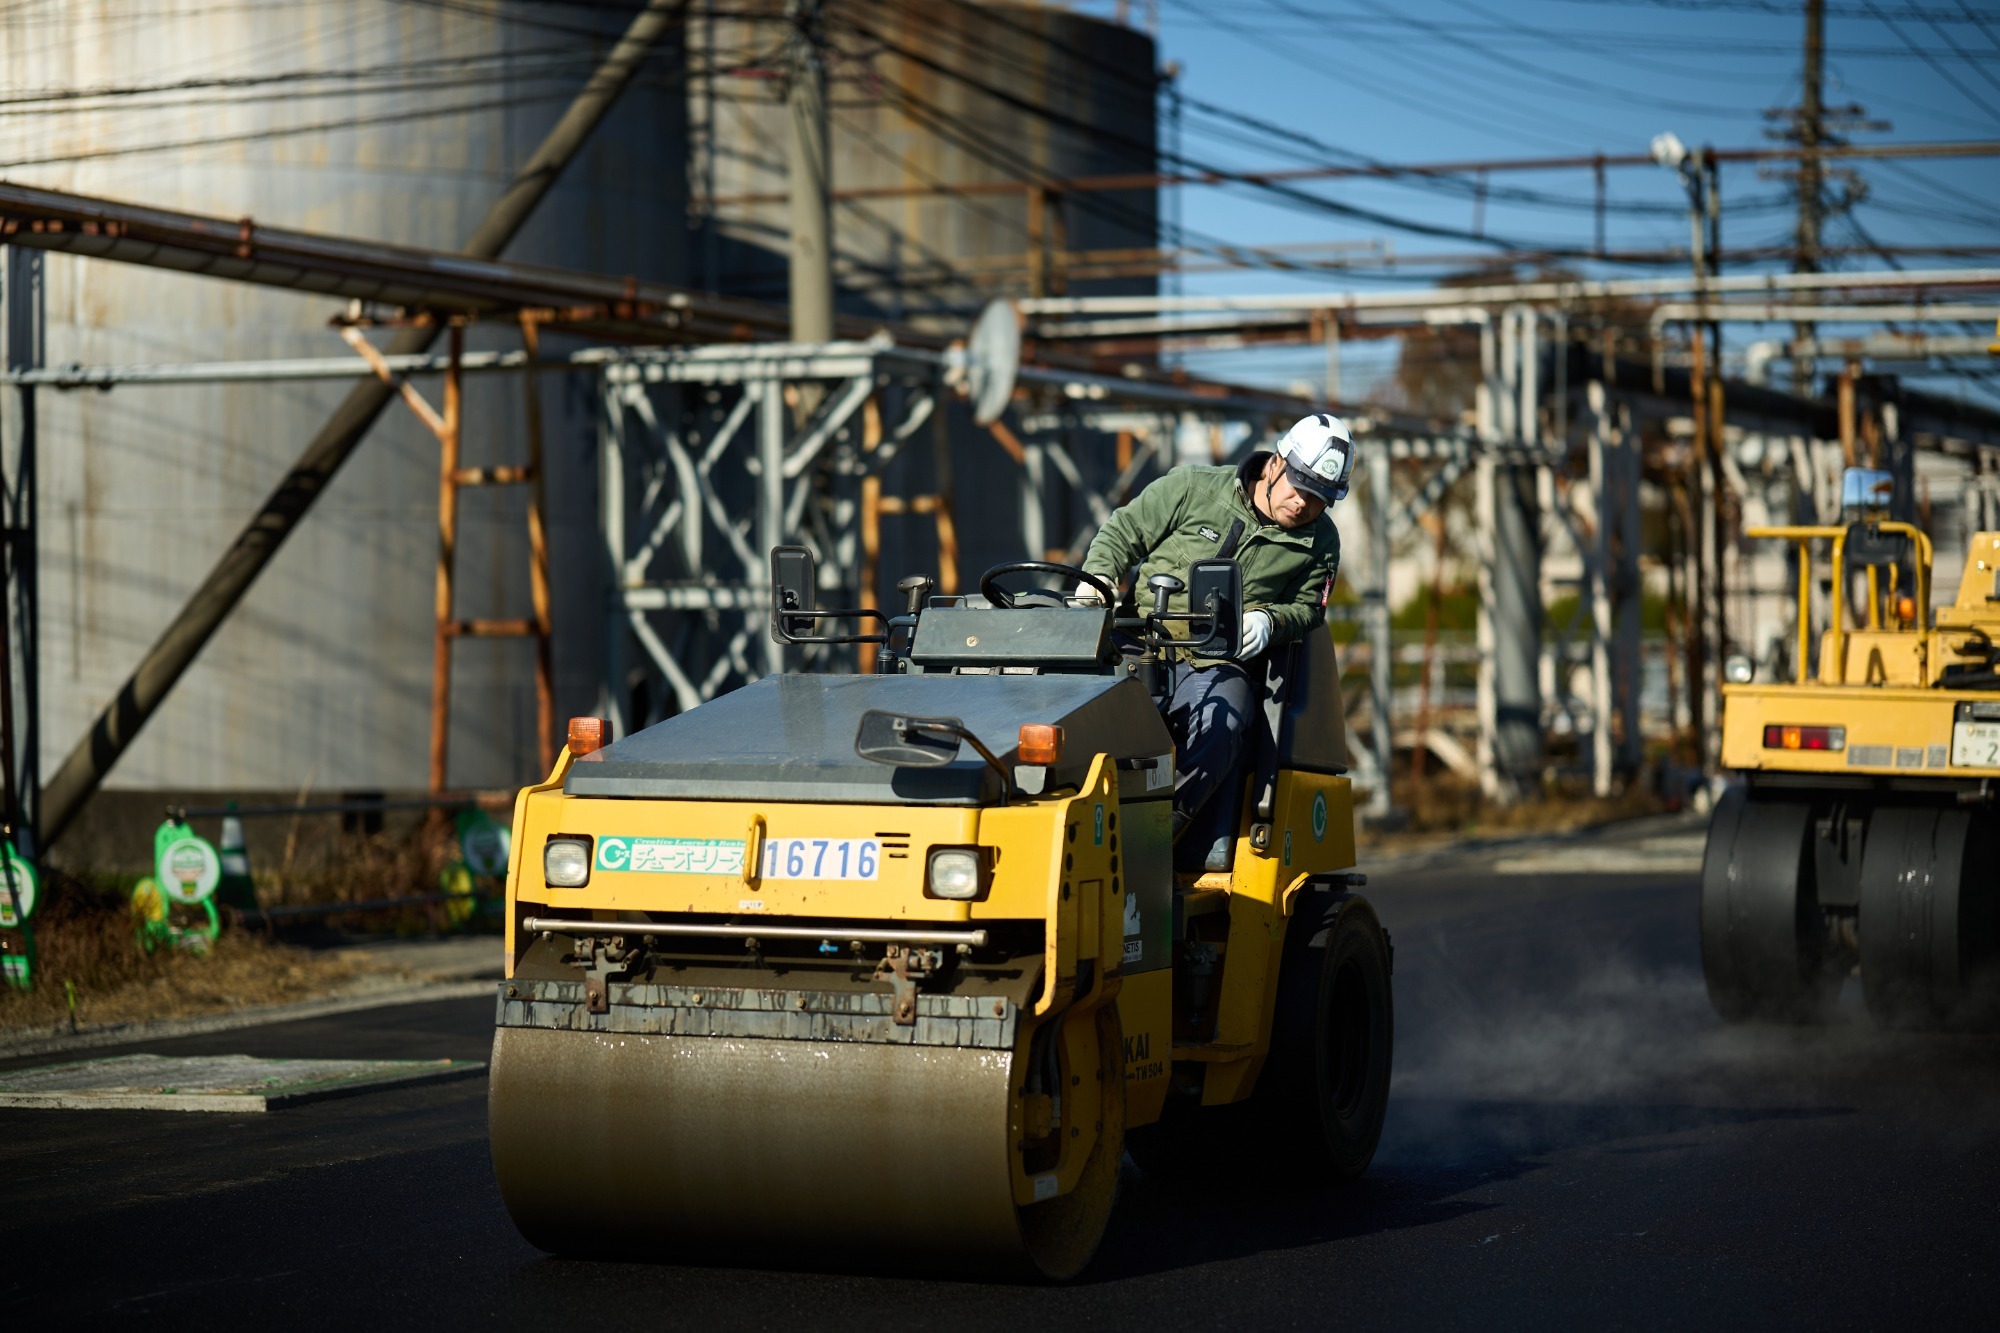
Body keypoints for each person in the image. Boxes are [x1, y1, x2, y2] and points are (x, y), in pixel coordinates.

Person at [1077, 413, 1350, 849]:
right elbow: (1123, 531)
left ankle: (1156, 836)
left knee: (1224, 720)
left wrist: (1271, 621)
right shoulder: (1192, 487)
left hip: (1217, 661)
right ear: (1276, 464)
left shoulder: (1321, 543)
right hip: (1139, 641)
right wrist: (1099, 580)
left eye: (1319, 499)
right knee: (1084, 710)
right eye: (1300, 488)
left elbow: (1308, 609)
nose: (1304, 505)